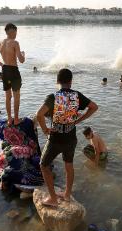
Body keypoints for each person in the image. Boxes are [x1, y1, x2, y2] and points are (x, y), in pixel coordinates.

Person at [36, 68, 98, 207]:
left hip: (55, 139)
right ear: (71, 81)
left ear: (57, 81)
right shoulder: (77, 96)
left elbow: (39, 115)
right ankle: (67, 195)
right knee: (68, 165)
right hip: (71, 138)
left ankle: (53, 198)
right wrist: (79, 120)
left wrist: (45, 130)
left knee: (44, 165)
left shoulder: (53, 97)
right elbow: (94, 107)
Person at [0, 23, 25, 125]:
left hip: (5, 71)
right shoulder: (15, 43)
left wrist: (2, 64)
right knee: (16, 96)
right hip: (13, 71)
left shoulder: (0, 43)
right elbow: (21, 60)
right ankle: (16, 119)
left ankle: (9, 119)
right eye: (15, 31)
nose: (16, 34)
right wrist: (23, 54)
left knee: (8, 97)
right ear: (11, 31)